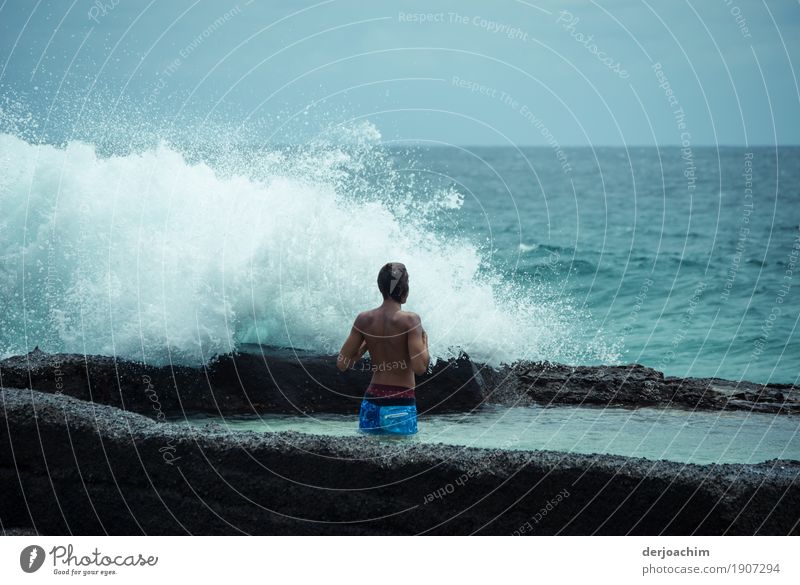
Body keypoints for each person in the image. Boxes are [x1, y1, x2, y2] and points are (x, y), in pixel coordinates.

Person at [336, 262, 429, 435]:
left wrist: (365, 346)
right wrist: (425, 342)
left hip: (371, 401)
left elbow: (342, 364)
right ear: (403, 289)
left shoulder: (364, 319)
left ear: (381, 287)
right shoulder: (410, 320)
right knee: (400, 458)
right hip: (399, 403)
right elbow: (420, 367)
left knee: (366, 458)